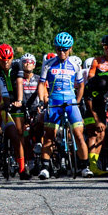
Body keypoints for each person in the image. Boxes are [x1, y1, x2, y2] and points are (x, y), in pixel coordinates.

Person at [37, 32, 89, 179]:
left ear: (71, 49)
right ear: (55, 48)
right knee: (49, 136)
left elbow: (80, 85)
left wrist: (78, 101)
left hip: (71, 102)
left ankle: (85, 167)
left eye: (65, 49)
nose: (62, 52)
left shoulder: (75, 65)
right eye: (59, 49)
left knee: (79, 135)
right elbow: (41, 84)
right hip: (54, 101)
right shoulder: (48, 64)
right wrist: (42, 101)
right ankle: (46, 167)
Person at [82, 35, 108, 176]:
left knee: (102, 133)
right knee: (92, 132)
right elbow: (90, 79)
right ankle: (89, 165)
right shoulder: (97, 61)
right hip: (91, 98)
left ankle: (94, 164)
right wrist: (105, 78)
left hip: (103, 100)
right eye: (106, 47)